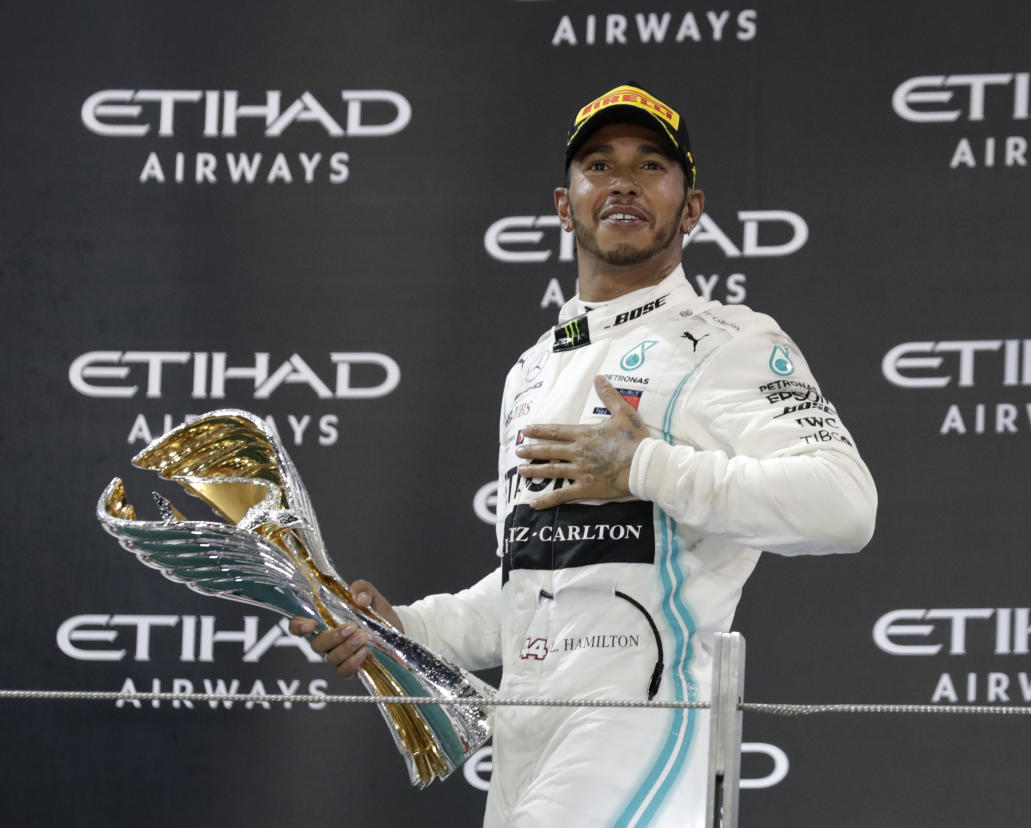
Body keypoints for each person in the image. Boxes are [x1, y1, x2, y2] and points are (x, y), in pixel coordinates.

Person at [291, 83, 877, 827]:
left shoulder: (729, 340)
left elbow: (846, 507)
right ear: (566, 205)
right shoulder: (535, 367)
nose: (624, 181)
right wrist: (405, 629)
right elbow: (538, 588)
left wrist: (642, 467)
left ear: (690, 208)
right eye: (598, 165)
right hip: (526, 736)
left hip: (644, 725)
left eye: (651, 165)